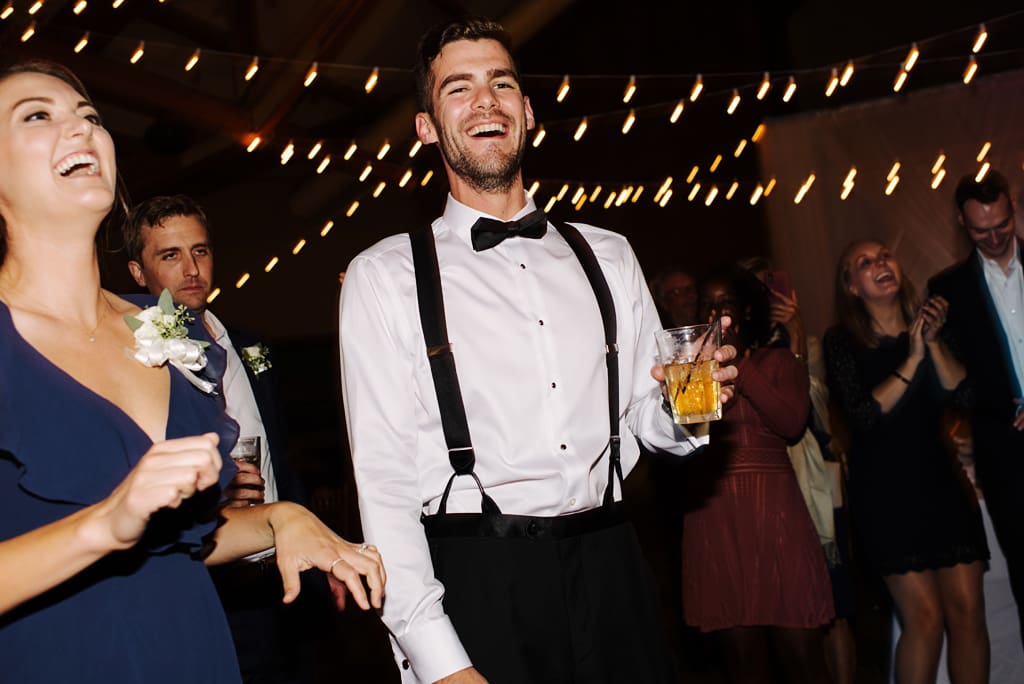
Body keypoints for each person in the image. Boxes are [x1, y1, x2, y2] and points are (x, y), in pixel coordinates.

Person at [338, 17, 737, 684]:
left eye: (501, 83)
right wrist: (437, 659)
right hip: (479, 578)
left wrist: (690, 405)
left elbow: (649, 422)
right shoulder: (385, 276)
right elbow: (383, 483)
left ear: (527, 112)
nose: (485, 100)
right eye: (458, 88)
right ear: (426, 128)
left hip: (612, 564)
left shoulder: (609, 254)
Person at [0, 59, 385, 683]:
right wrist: (105, 525)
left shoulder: (168, 328)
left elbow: (184, 541)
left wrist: (277, 519)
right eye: (37, 115)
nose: (82, 129)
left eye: (89, 116)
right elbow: (123, 524)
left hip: (196, 653)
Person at [124, 194, 321, 683]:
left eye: (200, 251)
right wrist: (213, 494)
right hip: (206, 577)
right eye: (170, 255)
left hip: (282, 572)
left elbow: (281, 454)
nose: (191, 269)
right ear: (138, 272)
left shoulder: (250, 343)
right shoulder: (136, 363)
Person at [825, 239, 989, 683]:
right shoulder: (842, 342)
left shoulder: (932, 326)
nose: (881, 264)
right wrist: (913, 358)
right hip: (885, 495)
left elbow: (964, 395)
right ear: (852, 286)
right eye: (865, 262)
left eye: (885, 256)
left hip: (941, 484)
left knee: (968, 613)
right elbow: (863, 415)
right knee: (925, 620)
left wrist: (930, 344)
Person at [681, 265, 833, 683]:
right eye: (707, 304)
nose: (715, 313)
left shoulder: (777, 361)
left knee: (804, 661)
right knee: (743, 667)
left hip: (776, 517)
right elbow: (686, 438)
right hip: (717, 516)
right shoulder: (690, 372)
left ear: (746, 310)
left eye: (725, 303)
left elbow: (791, 423)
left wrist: (741, 366)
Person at [928, 170, 1024, 649]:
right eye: (982, 230)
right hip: (1005, 454)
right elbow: (955, 392)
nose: (995, 237)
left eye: (1002, 224)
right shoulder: (948, 288)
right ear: (962, 224)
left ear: (1013, 207)